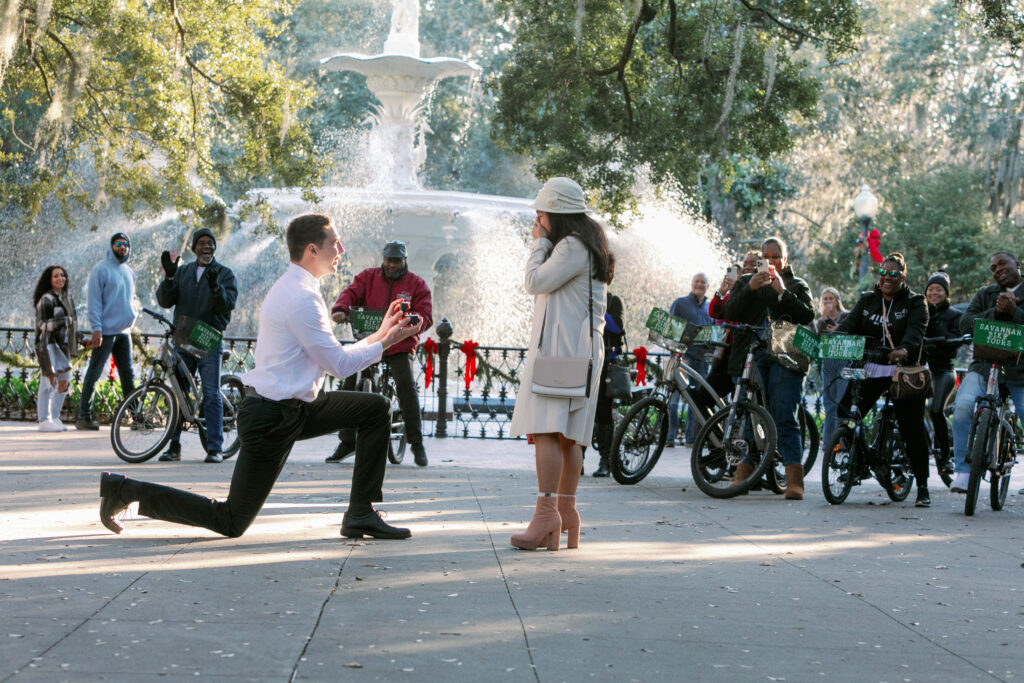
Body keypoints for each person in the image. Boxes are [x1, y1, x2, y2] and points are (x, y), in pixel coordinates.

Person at [98, 214, 423, 539]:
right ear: (312, 249)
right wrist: (388, 340)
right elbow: (338, 364)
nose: (340, 249)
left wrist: (382, 333)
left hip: (297, 408)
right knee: (230, 521)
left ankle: (360, 513)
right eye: (333, 243)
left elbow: (332, 353)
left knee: (375, 408)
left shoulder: (298, 288)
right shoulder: (301, 298)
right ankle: (124, 491)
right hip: (271, 418)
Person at [508, 177, 610, 551]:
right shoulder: (589, 243)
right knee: (569, 434)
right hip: (579, 349)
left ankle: (546, 513)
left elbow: (534, 282)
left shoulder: (569, 246)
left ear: (556, 213)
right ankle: (566, 512)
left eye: (541, 214)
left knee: (548, 430)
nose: (536, 220)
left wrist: (539, 243)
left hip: (561, 349)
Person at [836, 253, 932, 507]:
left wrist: (904, 349)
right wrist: (833, 338)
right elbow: (849, 326)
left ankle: (922, 486)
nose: (887, 278)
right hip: (871, 368)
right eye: (883, 272)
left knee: (911, 428)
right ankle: (861, 460)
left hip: (903, 372)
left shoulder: (915, 302)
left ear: (903, 276)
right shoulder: (868, 301)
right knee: (845, 410)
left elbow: (916, 332)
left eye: (893, 274)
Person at [723, 237, 814, 499]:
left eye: (776, 256)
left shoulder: (796, 284)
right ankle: (744, 476)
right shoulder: (745, 281)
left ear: (785, 260)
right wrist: (749, 287)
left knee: (784, 413)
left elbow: (807, 316)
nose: (770, 261)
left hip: (786, 356)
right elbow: (729, 312)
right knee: (751, 415)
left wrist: (782, 292)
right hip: (754, 355)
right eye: (766, 256)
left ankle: (793, 480)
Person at [328, 240, 433, 467]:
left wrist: (415, 321)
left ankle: (416, 442)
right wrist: (340, 310)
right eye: (389, 260)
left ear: (404, 261)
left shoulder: (417, 284)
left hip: (399, 345)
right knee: (348, 384)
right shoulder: (368, 277)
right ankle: (346, 441)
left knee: (406, 386)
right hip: (369, 341)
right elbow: (350, 294)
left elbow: (425, 313)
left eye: (397, 261)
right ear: (383, 260)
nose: (392, 265)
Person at [155, 228, 239, 463]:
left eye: (210, 243)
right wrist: (169, 278)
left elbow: (226, 305)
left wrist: (215, 288)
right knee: (178, 393)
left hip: (208, 339)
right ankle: (173, 447)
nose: (206, 247)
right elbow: (164, 300)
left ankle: (215, 448)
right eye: (201, 243)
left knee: (211, 393)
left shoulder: (225, 274)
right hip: (184, 339)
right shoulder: (182, 272)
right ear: (194, 248)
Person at [950, 252, 1024, 494]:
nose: (997, 269)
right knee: (961, 408)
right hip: (985, 366)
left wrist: (1015, 313)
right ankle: (962, 471)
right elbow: (965, 323)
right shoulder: (985, 294)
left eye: (1002, 263)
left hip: (1020, 372)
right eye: (993, 267)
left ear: (1017, 265)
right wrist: (994, 312)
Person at [76, 233, 137, 430]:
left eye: (126, 244)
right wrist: (97, 330)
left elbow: (130, 298)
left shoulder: (129, 271)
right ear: (111, 247)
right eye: (118, 244)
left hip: (124, 332)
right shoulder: (100, 269)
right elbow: (94, 302)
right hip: (106, 332)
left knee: (128, 375)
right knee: (94, 373)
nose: (123, 247)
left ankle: (137, 417)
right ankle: (83, 416)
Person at [923, 271, 961, 484]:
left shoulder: (953, 315)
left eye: (938, 289)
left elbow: (952, 342)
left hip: (943, 370)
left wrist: (934, 316)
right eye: (930, 289)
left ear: (946, 293)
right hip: (919, 370)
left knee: (936, 410)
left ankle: (946, 459)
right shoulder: (919, 311)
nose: (934, 293)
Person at [667, 272, 712, 446]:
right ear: (692, 284)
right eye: (697, 281)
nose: (699, 285)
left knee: (696, 401)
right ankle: (670, 437)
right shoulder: (680, 303)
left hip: (701, 360)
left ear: (707, 286)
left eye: (703, 282)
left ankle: (691, 439)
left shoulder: (709, 308)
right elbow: (671, 329)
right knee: (674, 399)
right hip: (682, 356)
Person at [33, 265, 80, 431]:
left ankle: (55, 417)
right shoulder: (46, 299)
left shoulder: (67, 298)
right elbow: (42, 324)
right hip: (48, 343)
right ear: (49, 280)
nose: (61, 278)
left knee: (64, 383)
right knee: (48, 381)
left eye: (62, 275)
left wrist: (79, 339)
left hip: (64, 345)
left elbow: (72, 325)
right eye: (56, 276)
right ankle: (44, 420)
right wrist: (62, 321)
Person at [592, 254, 624, 478]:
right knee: (581, 409)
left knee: (603, 411)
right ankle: (578, 458)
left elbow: (617, 327)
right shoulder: (582, 297)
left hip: (606, 363)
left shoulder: (613, 301)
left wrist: (598, 307)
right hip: (584, 359)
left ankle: (606, 460)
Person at [815, 287, 849, 447]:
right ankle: (829, 443)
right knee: (829, 403)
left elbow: (852, 336)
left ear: (837, 300)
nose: (828, 302)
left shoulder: (845, 317)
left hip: (844, 363)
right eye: (825, 299)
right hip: (828, 363)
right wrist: (823, 319)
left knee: (841, 402)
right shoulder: (822, 320)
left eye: (831, 298)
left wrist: (838, 329)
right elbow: (817, 340)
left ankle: (842, 442)